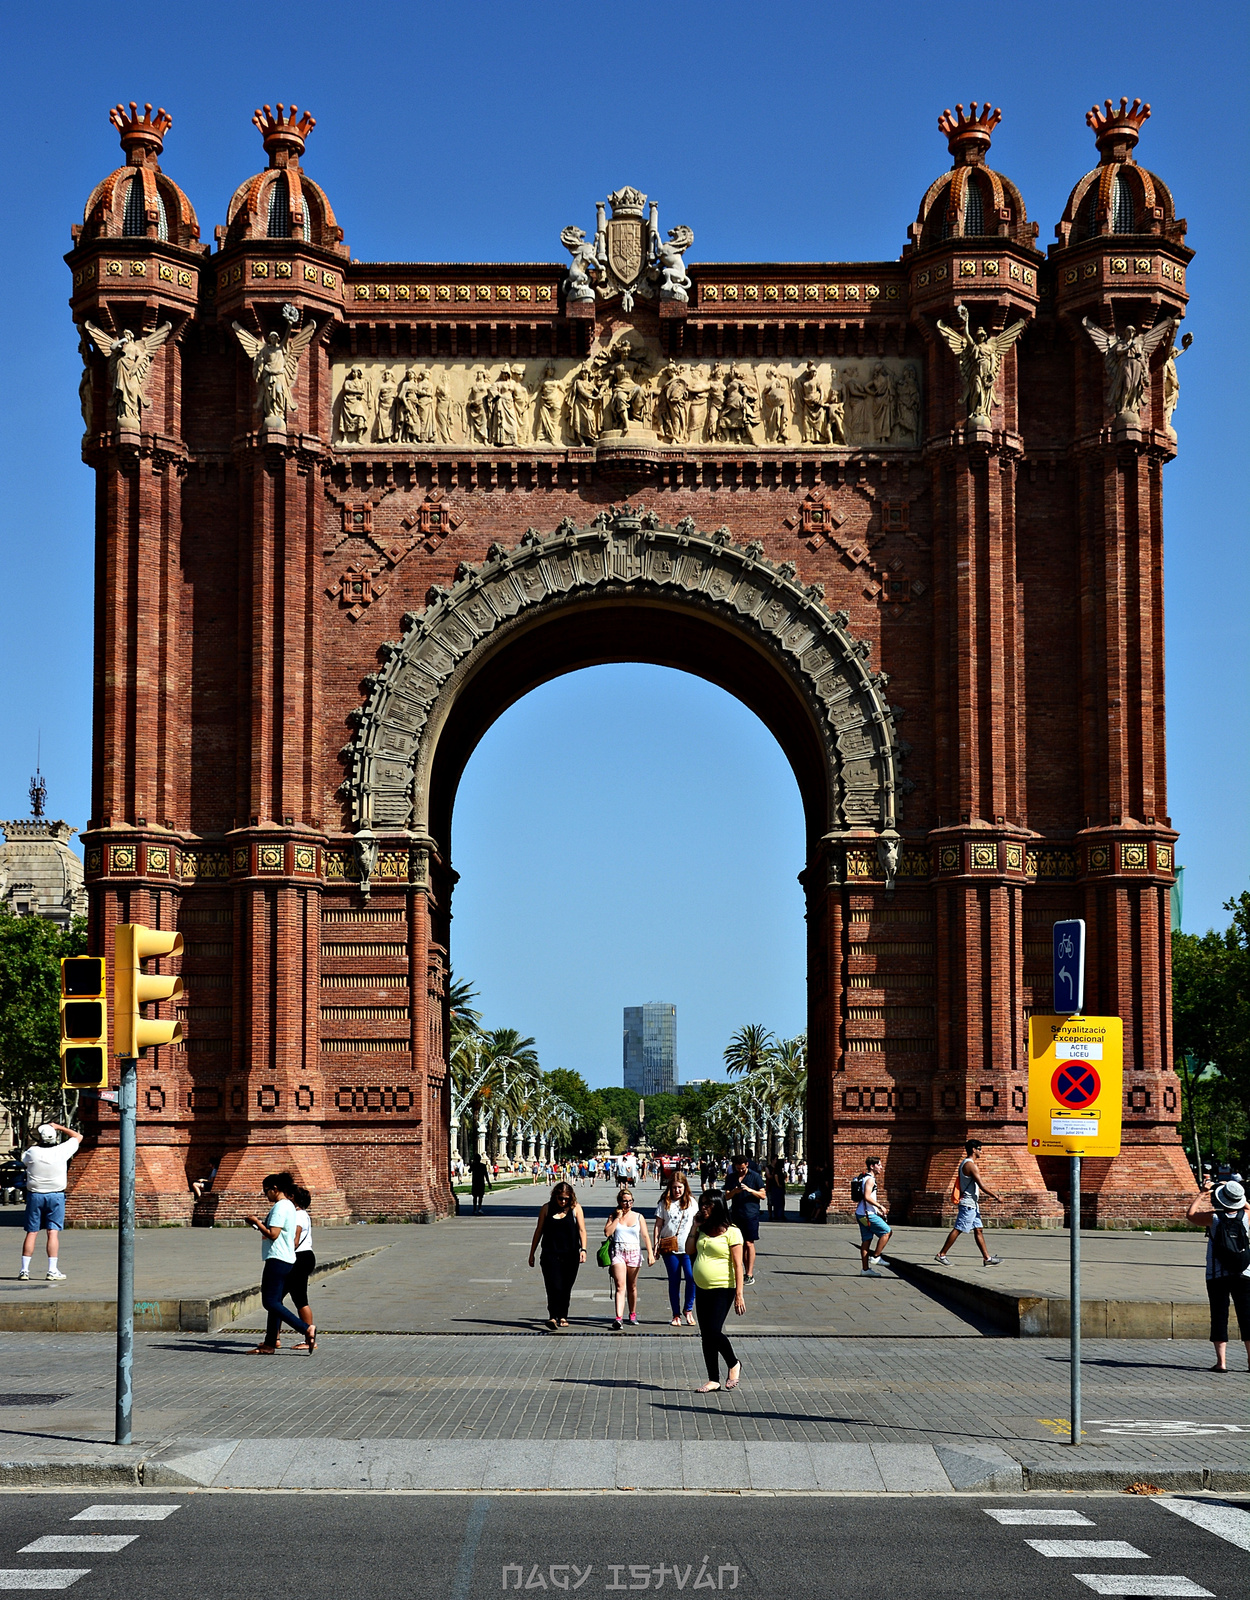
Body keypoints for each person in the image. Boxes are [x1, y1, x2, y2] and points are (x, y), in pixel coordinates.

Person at [243, 1172, 316, 1355]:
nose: (265, 1195)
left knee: (269, 1301)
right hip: (287, 1257)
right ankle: (269, 1344)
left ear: (275, 1189)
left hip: (277, 1257)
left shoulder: (280, 1207)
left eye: (266, 1191)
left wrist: (256, 1222)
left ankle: (305, 1328)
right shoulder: (290, 1206)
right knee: (275, 1301)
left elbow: (273, 1234)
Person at [1186, 1174, 1250, 1372]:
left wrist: (1204, 1193)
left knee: (1219, 1314)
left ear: (1222, 1198)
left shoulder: (1213, 1218)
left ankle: (1221, 1363)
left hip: (1216, 1274)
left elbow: (1190, 1215)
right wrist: (1234, 1191)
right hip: (1244, 1272)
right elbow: (1247, 1206)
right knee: (1247, 1316)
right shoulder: (1247, 1216)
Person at [687, 1194, 745, 1392]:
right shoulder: (702, 1229)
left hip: (724, 1287)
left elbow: (739, 1265)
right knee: (706, 1335)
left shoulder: (732, 1232)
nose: (703, 1208)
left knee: (713, 1331)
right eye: (702, 1204)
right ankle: (713, 1379)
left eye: (708, 1205)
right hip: (702, 1288)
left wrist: (739, 1294)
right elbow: (688, 1250)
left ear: (718, 1206)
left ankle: (733, 1363)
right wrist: (694, 1227)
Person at [19, 1123, 80, 1281]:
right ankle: (52, 1270)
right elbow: (78, 1137)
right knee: (52, 1232)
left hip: (35, 1195)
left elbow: (24, 1160)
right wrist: (59, 1127)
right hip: (56, 1195)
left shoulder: (32, 1152)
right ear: (55, 1137)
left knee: (32, 1232)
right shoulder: (61, 1151)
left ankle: (24, 1270)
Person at [528, 1180, 587, 1328]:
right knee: (553, 1286)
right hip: (550, 1254)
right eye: (560, 1198)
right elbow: (539, 1231)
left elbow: (582, 1230)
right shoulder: (546, 1209)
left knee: (566, 1287)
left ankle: (563, 1316)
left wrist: (583, 1250)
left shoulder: (576, 1209)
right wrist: (532, 1253)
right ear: (555, 1196)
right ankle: (553, 1316)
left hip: (571, 1255)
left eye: (566, 1198)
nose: (563, 1201)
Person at [935, 1140, 1003, 1266]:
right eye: (979, 1148)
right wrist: (996, 1196)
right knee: (958, 1229)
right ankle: (941, 1254)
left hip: (972, 1204)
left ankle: (987, 1258)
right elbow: (982, 1185)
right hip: (968, 1204)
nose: (981, 1151)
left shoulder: (965, 1163)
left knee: (979, 1229)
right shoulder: (970, 1165)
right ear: (973, 1149)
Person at [604, 1185, 654, 1329]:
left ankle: (632, 1313)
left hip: (634, 1252)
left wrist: (650, 1254)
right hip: (618, 1252)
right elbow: (607, 1232)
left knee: (631, 1285)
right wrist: (617, 1218)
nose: (628, 1204)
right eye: (625, 1201)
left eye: (630, 1201)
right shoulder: (614, 1216)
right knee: (620, 1286)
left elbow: (645, 1235)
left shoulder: (638, 1217)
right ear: (619, 1202)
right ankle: (618, 1318)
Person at [655, 1169, 699, 1327]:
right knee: (674, 1281)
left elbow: (698, 1223)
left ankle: (688, 1309)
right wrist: (655, 1244)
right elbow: (658, 1225)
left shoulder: (692, 1203)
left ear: (685, 1187)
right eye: (674, 1187)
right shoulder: (664, 1203)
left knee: (691, 1277)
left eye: (680, 1187)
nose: (677, 1190)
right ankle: (676, 1314)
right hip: (670, 1248)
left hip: (688, 1248)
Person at [281, 1184, 317, 1350]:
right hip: (305, 1257)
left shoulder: (297, 1216)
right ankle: (274, 1337)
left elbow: (294, 1240)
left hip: (299, 1258)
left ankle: (309, 1337)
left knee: (297, 1299)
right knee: (280, 1298)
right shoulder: (303, 1214)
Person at [724, 1156, 766, 1285]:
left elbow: (763, 1195)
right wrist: (735, 1192)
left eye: (742, 1168)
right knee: (737, 1244)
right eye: (738, 1169)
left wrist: (750, 1190)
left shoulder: (755, 1176)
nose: (741, 1171)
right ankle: (738, 1270)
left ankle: (749, 1273)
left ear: (747, 1164)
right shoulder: (731, 1177)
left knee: (749, 1243)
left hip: (751, 1214)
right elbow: (725, 1196)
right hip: (736, 1214)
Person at [855, 1156, 892, 1276]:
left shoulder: (865, 1178)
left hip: (862, 1213)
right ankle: (876, 1256)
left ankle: (865, 1270)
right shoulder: (870, 1179)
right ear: (872, 1166)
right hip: (867, 1215)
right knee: (887, 1232)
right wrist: (880, 1206)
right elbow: (867, 1197)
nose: (881, 1167)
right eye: (879, 1165)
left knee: (866, 1240)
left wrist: (877, 1210)